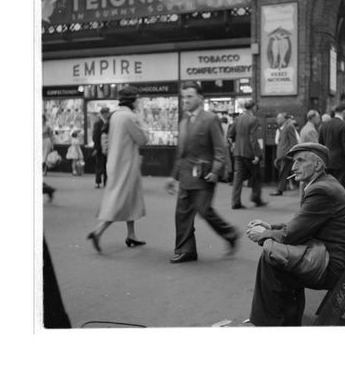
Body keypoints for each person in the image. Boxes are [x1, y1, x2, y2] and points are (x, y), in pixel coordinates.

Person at [246, 142, 345, 326]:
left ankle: (268, 324)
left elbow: (291, 235)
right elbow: (303, 224)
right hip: (333, 255)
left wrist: (263, 234)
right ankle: (284, 322)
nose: (293, 167)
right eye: (293, 162)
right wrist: (271, 226)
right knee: (278, 256)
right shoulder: (324, 183)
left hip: (333, 264)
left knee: (272, 258)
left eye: (300, 161)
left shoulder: (320, 191)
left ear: (317, 165)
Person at [164, 82, 240, 264]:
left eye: (190, 96)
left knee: (204, 210)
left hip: (204, 176)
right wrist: (172, 177)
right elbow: (181, 154)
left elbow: (220, 149)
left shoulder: (210, 119)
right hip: (185, 176)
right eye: (184, 97)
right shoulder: (183, 123)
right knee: (182, 214)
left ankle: (230, 234)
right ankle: (185, 250)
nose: (186, 100)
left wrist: (216, 171)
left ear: (200, 98)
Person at [87, 86, 149, 253]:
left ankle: (132, 235)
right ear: (132, 100)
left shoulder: (115, 115)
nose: (139, 101)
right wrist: (141, 119)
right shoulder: (130, 117)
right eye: (138, 99)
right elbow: (143, 139)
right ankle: (98, 231)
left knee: (130, 198)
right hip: (126, 165)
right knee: (120, 200)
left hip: (115, 163)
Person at [228, 100, 266, 209]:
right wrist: (257, 155)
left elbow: (230, 134)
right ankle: (256, 198)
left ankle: (235, 202)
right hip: (249, 153)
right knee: (257, 175)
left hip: (238, 153)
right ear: (253, 107)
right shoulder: (253, 120)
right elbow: (253, 138)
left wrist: (234, 144)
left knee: (238, 178)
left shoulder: (238, 118)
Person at [318, 102, 345, 193]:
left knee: (329, 186)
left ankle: (330, 205)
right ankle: (341, 206)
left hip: (327, 160)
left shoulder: (324, 125)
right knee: (341, 187)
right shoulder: (344, 125)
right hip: (340, 161)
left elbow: (320, 144)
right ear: (344, 112)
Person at [270, 113, 298, 196]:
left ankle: (280, 189)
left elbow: (293, 141)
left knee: (283, 172)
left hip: (286, 155)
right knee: (284, 172)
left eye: (279, 118)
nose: (277, 120)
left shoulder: (289, 126)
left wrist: (291, 154)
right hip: (283, 154)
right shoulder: (283, 127)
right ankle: (281, 188)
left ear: (284, 119)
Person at [92, 106, 110, 188]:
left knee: (106, 165)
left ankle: (106, 182)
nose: (108, 114)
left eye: (108, 113)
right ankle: (98, 182)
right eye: (106, 113)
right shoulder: (98, 123)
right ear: (103, 114)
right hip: (99, 147)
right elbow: (95, 136)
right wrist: (96, 148)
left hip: (107, 147)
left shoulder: (109, 122)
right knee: (99, 164)